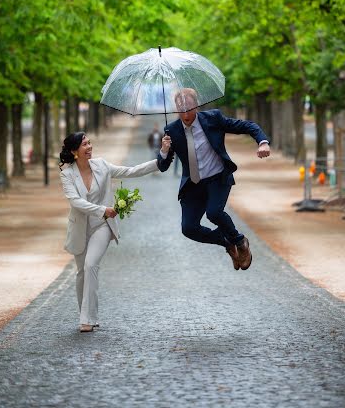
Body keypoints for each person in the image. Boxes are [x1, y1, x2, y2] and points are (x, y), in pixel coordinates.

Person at [59, 131, 170, 332]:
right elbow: (76, 202)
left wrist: (161, 156)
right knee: (82, 274)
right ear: (75, 151)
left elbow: (131, 171)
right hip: (80, 227)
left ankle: (86, 320)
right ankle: (88, 313)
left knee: (91, 265)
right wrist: (103, 209)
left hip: (102, 225)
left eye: (90, 142)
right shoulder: (67, 174)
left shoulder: (102, 165)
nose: (90, 147)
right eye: (85, 144)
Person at [157, 88, 270, 271]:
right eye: (181, 108)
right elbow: (163, 166)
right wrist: (163, 150)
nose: (185, 112)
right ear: (176, 109)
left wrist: (262, 142)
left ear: (197, 105)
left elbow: (246, 125)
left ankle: (240, 242)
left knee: (214, 213)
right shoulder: (171, 130)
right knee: (189, 228)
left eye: (189, 106)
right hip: (193, 185)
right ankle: (226, 242)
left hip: (217, 179)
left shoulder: (213, 118)